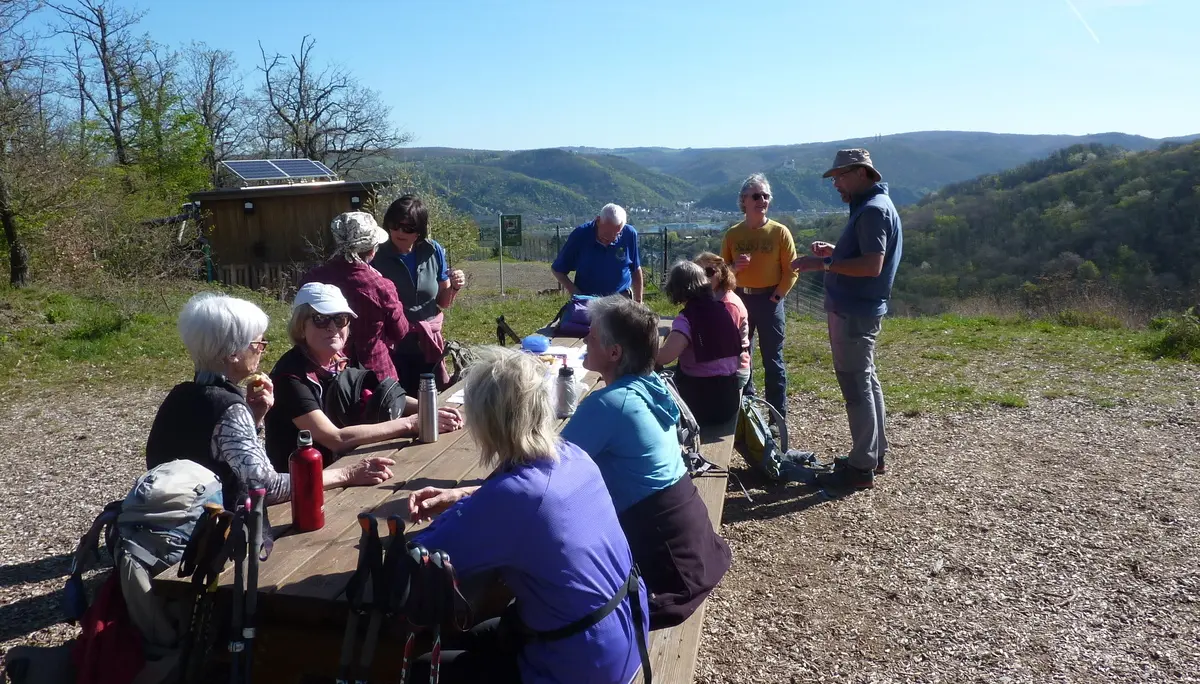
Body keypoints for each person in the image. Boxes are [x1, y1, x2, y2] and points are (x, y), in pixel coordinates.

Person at [406, 346, 650, 684]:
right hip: (626, 633)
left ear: (485, 422)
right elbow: (527, 505)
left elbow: (423, 557)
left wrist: (463, 510)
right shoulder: (573, 456)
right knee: (481, 633)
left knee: (421, 670)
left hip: (582, 665)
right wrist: (470, 501)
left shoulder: (512, 496)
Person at [561, 295, 731, 629]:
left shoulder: (609, 404)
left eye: (592, 336)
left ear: (615, 353)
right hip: (697, 548)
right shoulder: (650, 384)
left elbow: (543, 471)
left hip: (666, 571)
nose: (585, 339)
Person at [146, 292, 398, 510]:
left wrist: (255, 416)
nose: (261, 349)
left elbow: (214, 453)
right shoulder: (228, 408)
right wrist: (347, 473)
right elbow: (267, 487)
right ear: (233, 353)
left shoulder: (181, 395)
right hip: (213, 533)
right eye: (258, 343)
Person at [793, 148, 903, 493]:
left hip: (854, 312)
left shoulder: (872, 211)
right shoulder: (872, 206)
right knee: (867, 382)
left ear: (861, 173)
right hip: (860, 309)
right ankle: (873, 453)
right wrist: (836, 253)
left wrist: (822, 264)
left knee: (856, 388)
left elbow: (873, 265)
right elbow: (865, 257)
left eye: (839, 176)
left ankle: (861, 466)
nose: (836, 184)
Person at [265, 282, 464, 472]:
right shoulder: (290, 377)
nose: (332, 327)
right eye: (321, 319)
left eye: (340, 319)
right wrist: (412, 423)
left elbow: (384, 398)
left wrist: (431, 410)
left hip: (350, 461)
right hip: (305, 481)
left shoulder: (342, 358)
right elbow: (335, 439)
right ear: (301, 326)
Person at [720, 173, 798, 418]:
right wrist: (734, 269)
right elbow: (721, 272)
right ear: (744, 200)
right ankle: (749, 410)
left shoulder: (780, 232)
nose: (762, 200)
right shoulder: (733, 234)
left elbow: (792, 270)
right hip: (740, 299)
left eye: (766, 196)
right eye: (756, 196)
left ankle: (777, 417)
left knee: (773, 359)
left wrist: (777, 296)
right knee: (742, 354)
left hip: (770, 300)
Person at [372, 194, 467, 394]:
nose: (399, 231)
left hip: (427, 345)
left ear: (419, 231)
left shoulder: (434, 250)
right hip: (391, 347)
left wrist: (455, 287)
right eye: (394, 224)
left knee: (431, 399)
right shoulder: (376, 254)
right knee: (398, 402)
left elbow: (443, 302)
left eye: (408, 228)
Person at [300, 211, 409, 381]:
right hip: (375, 376)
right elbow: (400, 331)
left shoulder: (312, 280)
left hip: (324, 372)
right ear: (372, 249)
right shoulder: (380, 285)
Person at [656, 262, 745, 427]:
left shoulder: (687, 318)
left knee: (655, 377)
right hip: (729, 399)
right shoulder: (723, 310)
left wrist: (645, 348)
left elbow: (664, 358)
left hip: (700, 404)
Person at [551, 203, 643, 301]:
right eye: (605, 234)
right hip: (589, 302)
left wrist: (639, 301)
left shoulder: (629, 234)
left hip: (621, 301)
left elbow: (636, 269)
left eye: (616, 235)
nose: (610, 239)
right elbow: (557, 270)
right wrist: (576, 293)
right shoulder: (580, 236)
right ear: (598, 220)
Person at [693, 251, 751, 391]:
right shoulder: (710, 299)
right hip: (718, 364)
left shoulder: (728, 305)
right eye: (699, 273)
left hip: (732, 370)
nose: (704, 278)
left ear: (721, 273)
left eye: (709, 272)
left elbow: (723, 345)